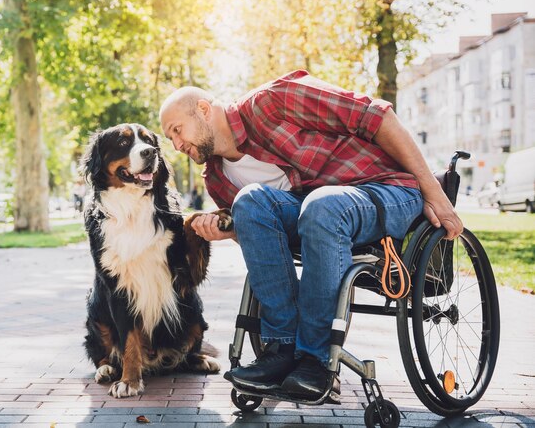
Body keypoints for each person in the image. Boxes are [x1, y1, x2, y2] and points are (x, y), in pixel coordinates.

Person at [159, 70, 463, 401]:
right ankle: (283, 349)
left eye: (177, 131)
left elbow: (378, 116)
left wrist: (434, 191)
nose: (176, 145)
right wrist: (230, 229)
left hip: (385, 188)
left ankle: (316, 360)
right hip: (316, 216)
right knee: (249, 203)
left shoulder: (275, 100)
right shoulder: (216, 178)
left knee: (322, 204)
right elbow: (265, 246)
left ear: (203, 109)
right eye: (170, 139)